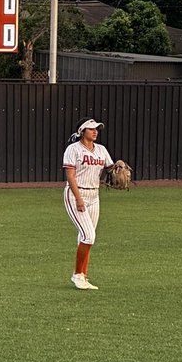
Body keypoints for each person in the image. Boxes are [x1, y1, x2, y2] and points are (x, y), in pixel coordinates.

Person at [62, 118, 115, 291]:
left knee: (85, 238)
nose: (95, 131)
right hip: (76, 194)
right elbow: (70, 176)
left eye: (97, 129)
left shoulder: (101, 150)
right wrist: (78, 199)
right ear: (82, 131)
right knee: (88, 236)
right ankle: (77, 275)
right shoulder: (73, 149)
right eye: (91, 129)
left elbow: (110, 168)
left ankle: (82, 275)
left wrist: (117, 169)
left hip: (94, 195)